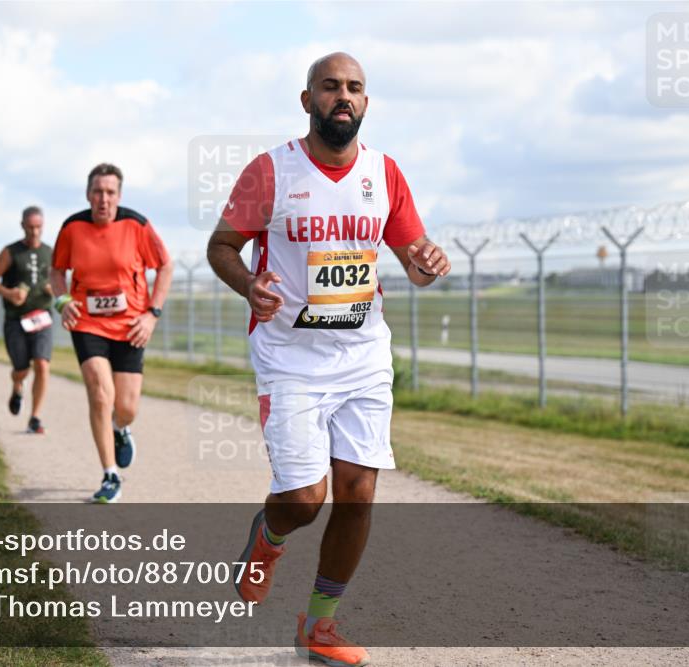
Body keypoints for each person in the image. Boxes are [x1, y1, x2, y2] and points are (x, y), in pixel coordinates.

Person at [207, 53, 451, 666]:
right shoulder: (271, 172)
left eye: (355, 88)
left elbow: (413, 257)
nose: (343, 96)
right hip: (290, 355)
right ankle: (268, 536)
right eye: (331, 87)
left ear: (365, 103)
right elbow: (222, 246)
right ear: (307, 98)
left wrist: (427, 264)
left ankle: (320, 625)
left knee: (359, 494)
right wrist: (249, 285)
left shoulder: (385, 174)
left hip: (364, 353)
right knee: (304, 499)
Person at [51, 163, 173, 504]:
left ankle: (121, 428)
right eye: (97, 192)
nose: (103, 199)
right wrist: (62, 301)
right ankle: (109, 474)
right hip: (87, 322)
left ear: (119, 196)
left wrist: (152, 314)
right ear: (88, 194)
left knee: (126, 406)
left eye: (110, 192)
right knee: (100, 393)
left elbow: (165, 265)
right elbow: (56, 269)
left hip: (131, 324)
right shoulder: (72, 228)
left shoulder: (136, 225)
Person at [0, 207, 54, 434]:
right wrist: (9, 293)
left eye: (39, 227)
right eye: (31, 227)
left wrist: (52, 289)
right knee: (22, 369)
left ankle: (35, 417)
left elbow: (59, 282)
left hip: (42, 317)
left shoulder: (50, 252)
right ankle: (17, 385)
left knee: (42, 365)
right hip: (16, 319)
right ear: (23, 225)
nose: (35, 232)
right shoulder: (11, 252)